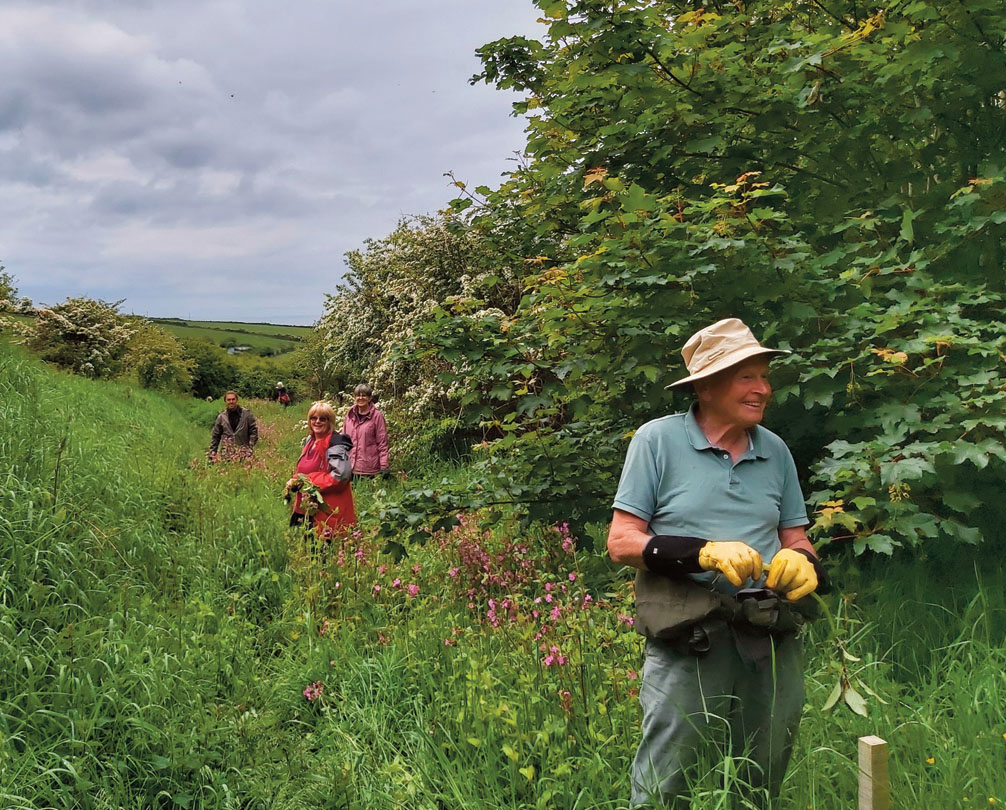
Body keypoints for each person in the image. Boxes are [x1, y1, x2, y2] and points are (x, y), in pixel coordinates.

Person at [607, 318, 827, 808]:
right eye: (747, 376)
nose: (763, 388)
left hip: (768, 634)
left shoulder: (776, 452)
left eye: (765, 376)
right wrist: (700, 551)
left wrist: (803, 560)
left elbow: (795, 536)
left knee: (761, 777)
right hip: (689, 638)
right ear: (706, 386)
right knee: (666, 782)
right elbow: (621, 542)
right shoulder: (656, 441)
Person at [285, 401, 356, 534]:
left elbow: (341, 476)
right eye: (313, 418)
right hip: (307, 507)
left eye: (322, 419)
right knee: (305, 550)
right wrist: (295, 480)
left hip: (328, 511)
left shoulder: (336, 444)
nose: (317, 422)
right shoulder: (310, 440)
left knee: (323, 551)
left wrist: (307, 481)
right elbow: (305, 470)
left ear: (330, 422)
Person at [342, 383, 389, 479]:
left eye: (364, 395)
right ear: (354, 397)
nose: (360, 398)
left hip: (369, 470)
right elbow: (343, 440)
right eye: (358, 395)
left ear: (370, 398)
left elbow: (382, 442)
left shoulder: (377, 416)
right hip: (350, 468)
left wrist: (384, 465)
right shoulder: (349, 415)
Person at [208, 391, 258, 458]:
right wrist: (212, 454)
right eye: (228, 400)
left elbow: (253, 431)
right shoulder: (222, 417)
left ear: (236, 400)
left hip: (244, 454)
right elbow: (216, 436)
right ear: (225, 401)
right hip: (226, 455)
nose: (231, 401)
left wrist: (250, 447)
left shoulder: (246, 414)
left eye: (233, 399)